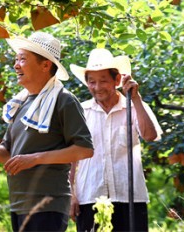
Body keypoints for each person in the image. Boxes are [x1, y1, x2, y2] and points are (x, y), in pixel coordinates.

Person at [0, 32, 94, 232]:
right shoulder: (22, 103)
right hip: (19, 203)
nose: (16, 65)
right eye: (16, 59)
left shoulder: (64, 100)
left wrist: (35, 158)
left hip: (48, 204)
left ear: (45, 65)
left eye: (23, 59)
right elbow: (7, 154)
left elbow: (85, 149)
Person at [69, 48, 163, 232]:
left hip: (129, 197)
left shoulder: (134, 105)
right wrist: (71, 195)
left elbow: (150, 136)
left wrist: (136, 99)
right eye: (92, 82)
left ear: (117, 80)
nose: (97, 87)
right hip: (90, 197)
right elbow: (70, 158)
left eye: (103, 81)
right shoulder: (80, 112)